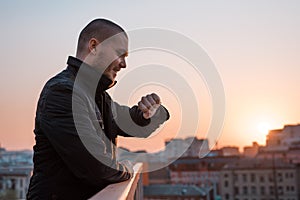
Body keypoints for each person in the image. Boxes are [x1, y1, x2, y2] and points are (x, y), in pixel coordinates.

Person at [27, 18, 169, 200]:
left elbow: (133, 122)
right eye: (120, 54)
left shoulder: (97, 95)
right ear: (94, 46)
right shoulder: (63, 93)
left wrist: (155, 111)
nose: (124, 64)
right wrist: (127, 168)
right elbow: (97, 167)